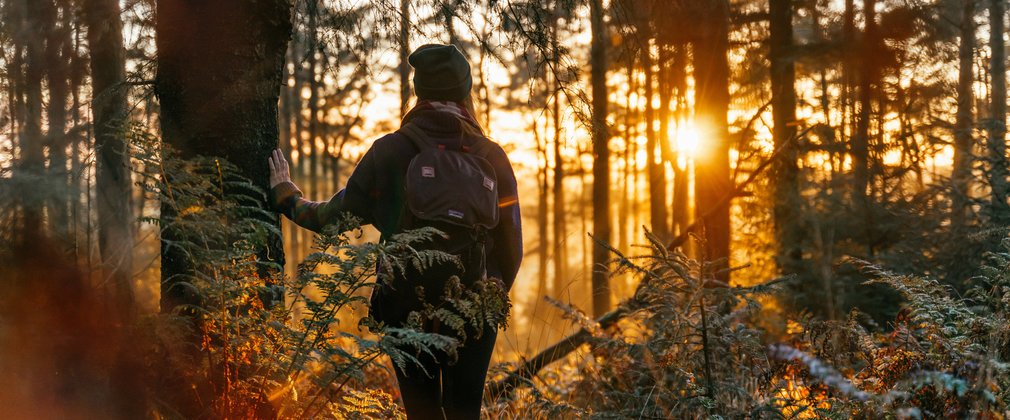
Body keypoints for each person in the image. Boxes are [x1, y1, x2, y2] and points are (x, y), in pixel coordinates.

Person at [268, 44, 522, 419]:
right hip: (474, 310)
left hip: (405, 308)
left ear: (420, 90)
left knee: (422, 412)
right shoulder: (492, 157)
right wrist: (485, 299)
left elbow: (333, 219)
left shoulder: (390, 151)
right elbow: (511, 247)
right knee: (465, 411)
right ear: (465, 91)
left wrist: (288, 196)